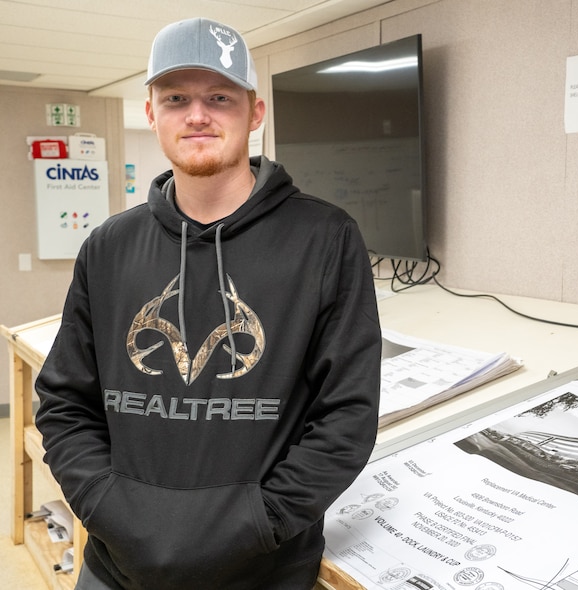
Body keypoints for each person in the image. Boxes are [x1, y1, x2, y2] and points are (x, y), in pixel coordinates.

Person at [35, 17, 382, 590]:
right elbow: (65, 401)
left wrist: (263, 521)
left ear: (255, 111)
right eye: (176, 98)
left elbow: (345, 417)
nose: (197, 114)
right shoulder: (109, 247)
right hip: (116, 568)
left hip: (263, 570)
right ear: (152, 114)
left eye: (219, 96)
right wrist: (102, 502)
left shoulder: (325, 239)